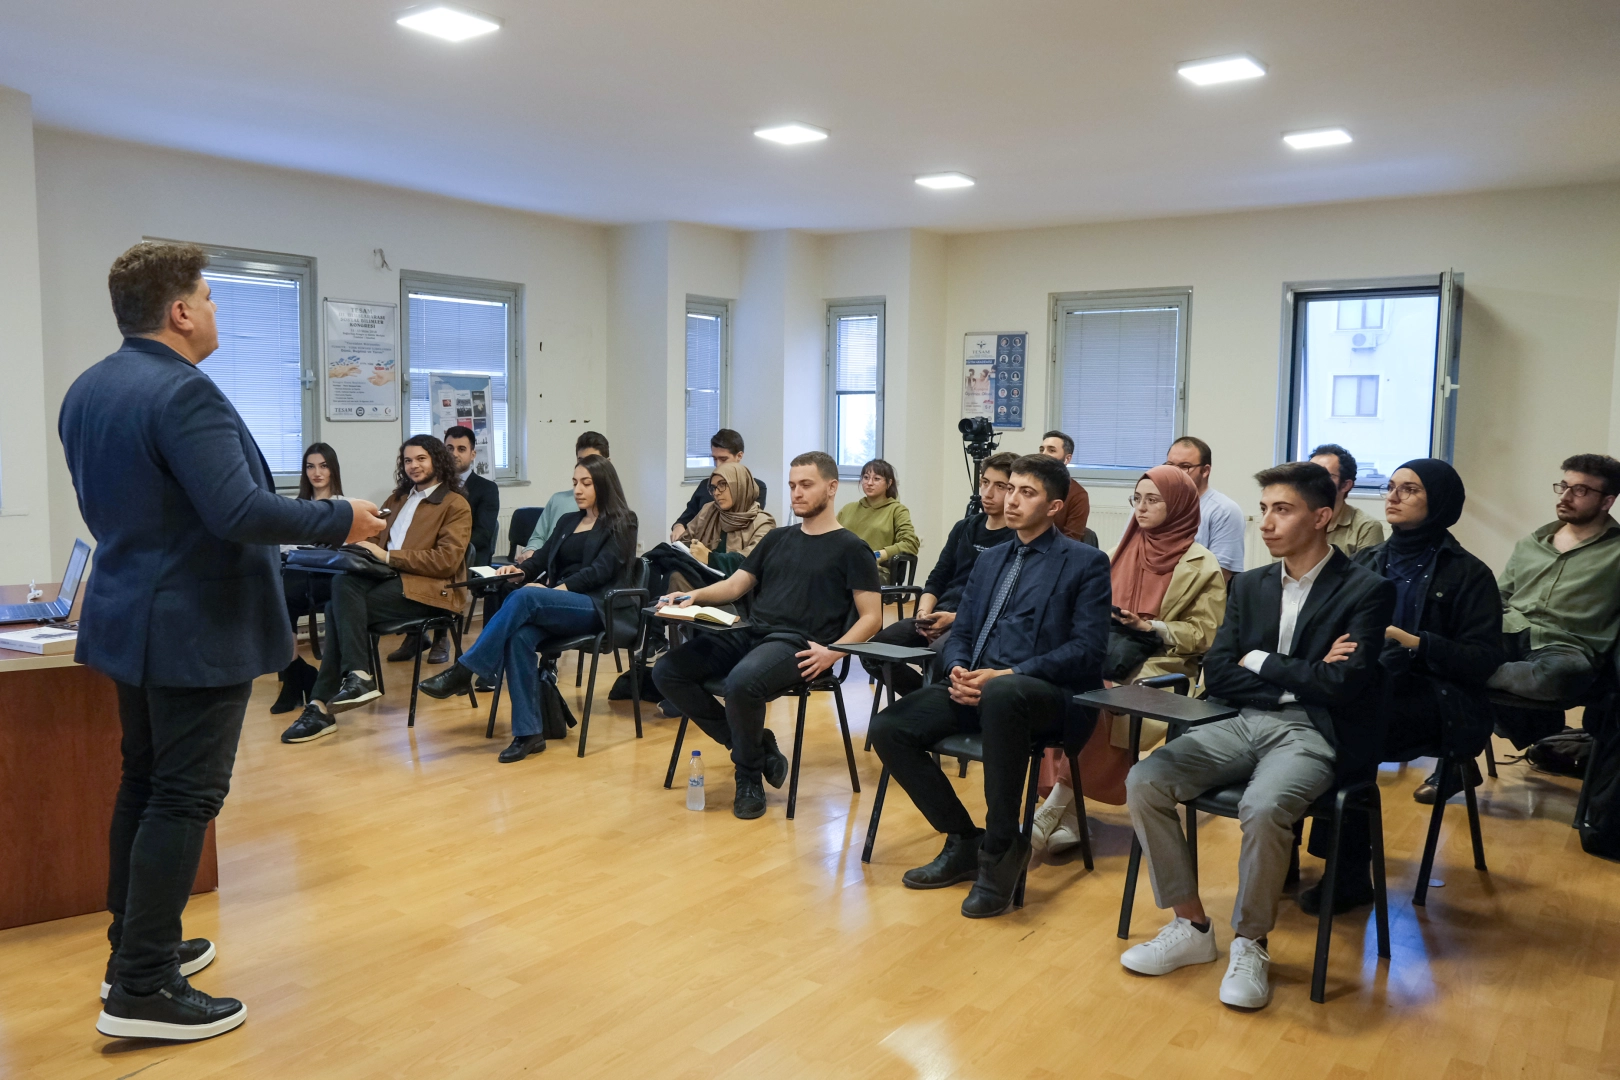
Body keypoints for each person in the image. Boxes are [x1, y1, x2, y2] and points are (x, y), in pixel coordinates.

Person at [60, 240, 384, 1040]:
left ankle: (136, 948)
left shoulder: (90, 388)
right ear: (179, 311)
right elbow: (238, 511)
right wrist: (341, 518)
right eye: (208, 297)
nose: (215, 309)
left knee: (145, 783)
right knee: (184, 796)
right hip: (194, 623)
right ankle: (142, 989)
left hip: (131, 614)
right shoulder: (183, 393)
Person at [1121, 461, 1393, 1010]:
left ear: (1322, 516)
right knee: (1146, 779)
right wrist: (1303, 673)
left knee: (1264, 807)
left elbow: (1344, 685)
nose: (1265, 523)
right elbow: (1219, 672)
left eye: (1282, 510)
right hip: (1242, 719)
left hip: (1313, 731)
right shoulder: (1250, 584)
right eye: (1264, 509)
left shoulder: (1367, 589)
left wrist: (1263, 660)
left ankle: (1251, 941)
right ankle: (1192, 926)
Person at [868, 454, 1111, 918]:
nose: (1011, 499)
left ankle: (1001, 848)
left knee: (1002, 695)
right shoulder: (991, 558)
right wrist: (959, 668)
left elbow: (1087, 650)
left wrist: (1008, 675)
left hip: (1049, 694)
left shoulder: (1085, 563)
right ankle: (964, 839)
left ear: (1054, 507)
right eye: (1010, 488)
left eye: (1026, 492)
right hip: (981, 685)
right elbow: (962, 630)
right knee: (889, 728)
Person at [1298, 459, 1502, 911]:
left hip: (1438, 699)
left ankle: (1349, 874)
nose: (1392, 496)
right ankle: (1288, 855)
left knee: (1349, 724)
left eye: (1409, 490)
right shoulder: (1367, 561)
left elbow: (1484, 660)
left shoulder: (1469, 573)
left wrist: (1416, 643)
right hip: (1367, 686)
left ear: (1439, 502)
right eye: (1390, 487)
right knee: (1301, 711)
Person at [653, 452, 881, 819]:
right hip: (752, 631)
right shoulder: (777, 538)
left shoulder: (852, 548)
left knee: (741, 684)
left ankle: (748, 777)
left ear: (832, 487)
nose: (796, 493)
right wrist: (693, 596)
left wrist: (833, 653)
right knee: (668, 671)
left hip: (799, 644)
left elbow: (872, 618)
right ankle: (756, 747)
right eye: (792, 485)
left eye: (806, 485)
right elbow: (735, 585)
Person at [1033, 463, 1225, 851]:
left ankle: (1055, 804)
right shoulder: (1116, 553)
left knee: (1099, 696)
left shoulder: (1202, 564)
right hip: (1108, 651)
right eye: (1137, 498)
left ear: (1179, 505)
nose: (1141, 507)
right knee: (1059, 684)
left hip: (1162, 666)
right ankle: (1069, 812)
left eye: (1153, 500)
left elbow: (1206, 635)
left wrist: (1152, 627)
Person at [421, 456, 639, 762]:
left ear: (603, 484)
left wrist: (553, 591)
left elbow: (600, 572)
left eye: (586, 483)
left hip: (598, 607)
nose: (578, 490)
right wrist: (519, 571)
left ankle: (465, 670)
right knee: (519, 636)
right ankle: (529, 733)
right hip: (563, 605)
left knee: (527, 598)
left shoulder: (624, 521)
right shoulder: (568, 521)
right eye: (575, 483)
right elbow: (541, 559)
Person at [278, 435, 472, 744]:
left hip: (431, 591)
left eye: (421, 459)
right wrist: (357, 546)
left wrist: (387, 556)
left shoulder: (455, 504)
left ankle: (327, 701)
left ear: (437, 460)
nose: (413, 466)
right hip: (388, 582)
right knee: (340, 588)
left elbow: (446, 561)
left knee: (337, 606)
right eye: (407, 460)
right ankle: (350, 682)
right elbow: (373, 539)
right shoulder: (397, 499)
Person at [857, 452, 1016, 696]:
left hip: (973, 622)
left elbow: (1002, 602)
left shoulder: (1016, 538)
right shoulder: (964, 528)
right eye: (985, 482)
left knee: (939, 657)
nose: (988, 493)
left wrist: (953, 618)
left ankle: (927, 702)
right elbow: (937, 577)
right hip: (935, 616)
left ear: (1013, 490)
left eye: (1000, 486)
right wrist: (923, 615)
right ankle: (921, 698)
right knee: (872, 652)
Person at [1487, 454, 1620, 725]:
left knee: (1564, 675)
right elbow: (1499, 596)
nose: (1565, 497)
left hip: (1564, 647)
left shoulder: (1616, 552)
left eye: (1580, 490)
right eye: (1563, 486)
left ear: (1607, 502)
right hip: (1509, 631)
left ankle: (1477, 673)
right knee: (1448, 646)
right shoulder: (1531, 543)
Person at [391, 424, 500, 665]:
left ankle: (441, 636)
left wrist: (446, 545)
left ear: (473, 454)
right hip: (434, 552)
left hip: (470, 555)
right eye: (449, 448)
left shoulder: (486, 488)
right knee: (413, 561)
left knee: (440, 566)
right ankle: (415, 635)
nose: (454, 454)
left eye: (461, 449)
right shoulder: (427, 486)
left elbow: (483, 534)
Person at [272, 443, 346, 714]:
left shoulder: (345, 505)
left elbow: (346, 549)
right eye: (310, 466)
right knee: (278, 591)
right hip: (297, 577)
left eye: (323, 466)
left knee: (283, 592)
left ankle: (294, 677)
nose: (317, 472)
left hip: (329, 579)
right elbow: (282, 544)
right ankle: (296, 670)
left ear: (333, 469)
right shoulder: (297, 507)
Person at [674, 461, 776, 585]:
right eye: (713, 488)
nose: (716, 493)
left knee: (677, 579)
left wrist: (710, 558)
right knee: (673, 573)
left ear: (739, 485)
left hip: (739, 589)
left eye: (722, 484)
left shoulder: (764, 522)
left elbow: (752, 562)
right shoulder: (709, 510)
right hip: (703, 579)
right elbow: (684, 544)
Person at [1165, 436, 1245, 580]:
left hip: (1193, 591)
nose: (1175, 473)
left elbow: (1220, 575)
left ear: (1205, 470)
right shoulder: (1150, 503)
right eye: (1170, 465)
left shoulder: (1224, 510)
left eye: (1184, 467)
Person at [522, 431, 610, 557]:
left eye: (592, 462)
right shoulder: (558, 501)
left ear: (608, 464)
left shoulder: (616, 516)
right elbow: (538, 538)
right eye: (581, 461)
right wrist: (531, 552)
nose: (585, 467)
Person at [670, 428, 768, 540]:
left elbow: (748, 523)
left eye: (723, 459)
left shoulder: (755, 487)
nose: (718, 464)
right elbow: (687, 517)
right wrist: (678, 527)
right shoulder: (705, 485)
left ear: (739, 456)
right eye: (715, 459)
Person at [836, 458, 920, 584]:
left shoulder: (896, 510)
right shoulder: (848, 509)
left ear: (889, 483)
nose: (869, 483)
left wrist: (877, 555)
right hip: (843, 567)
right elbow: (831, 537)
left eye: (876, 479)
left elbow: (910, 543)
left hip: (876, 572)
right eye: (866, 477)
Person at [1309, 443, 1385, 555]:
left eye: (1324, 476)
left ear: (1345, 485)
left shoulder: (1366, 527)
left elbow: (1365, 567)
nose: (1312, 482)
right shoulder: (1296, 519)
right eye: (1309, 475)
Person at [1037, 430, 1092, 540]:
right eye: (1042, 450)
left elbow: (1071, 540)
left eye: (1051, 450)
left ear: (1067, 459)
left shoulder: (1078, 495)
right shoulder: (1027, 486)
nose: (1044, 454)